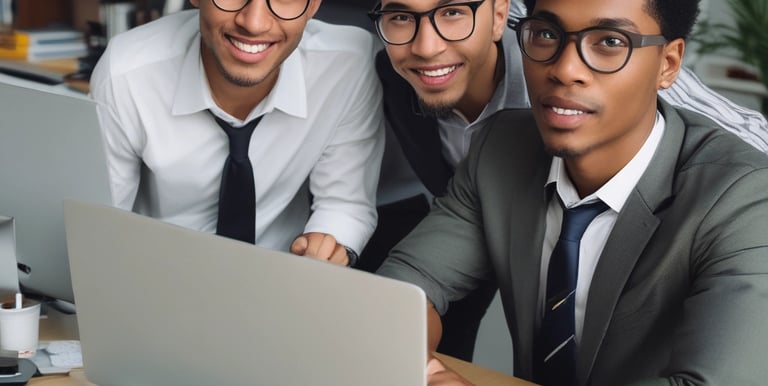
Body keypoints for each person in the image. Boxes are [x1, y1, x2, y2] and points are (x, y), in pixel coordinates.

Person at [376, 0, 768, 383]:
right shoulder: (499, 148)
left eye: (610, 42)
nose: (565, 70)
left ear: (667, 65)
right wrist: (428, 373)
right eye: (547, 34)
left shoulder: (744, 198)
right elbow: (401, 290)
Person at [90, 0, 384, 265]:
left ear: (314, 4)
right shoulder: (126, 73)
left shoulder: (348, 64)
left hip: (281, 284)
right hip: (152, 280)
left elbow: (344, 204)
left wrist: (326, 244)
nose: (253, 23)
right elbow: (95, 227)